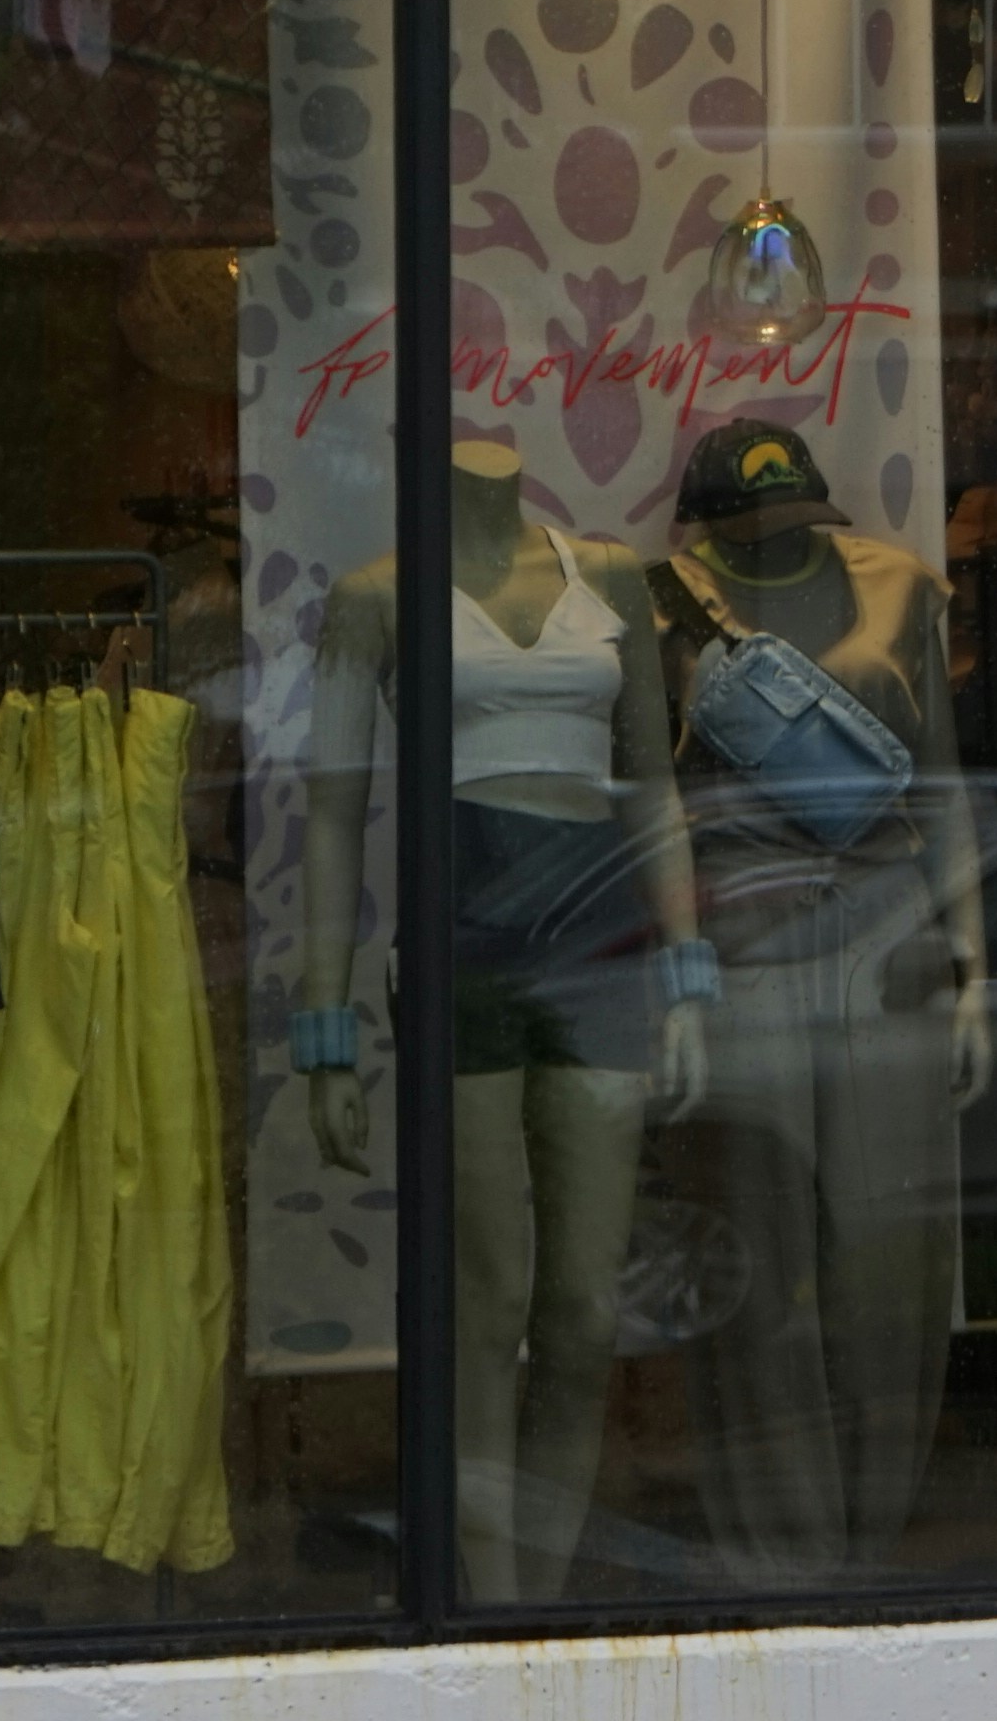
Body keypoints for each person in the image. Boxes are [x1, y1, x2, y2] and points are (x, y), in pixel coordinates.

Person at [296, 438, 705, 1603]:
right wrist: (323, 1027)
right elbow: (333, 817)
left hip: (600, 945)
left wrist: (688, 970)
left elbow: (653, 787)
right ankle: (494, 1602)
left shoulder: (610, 577)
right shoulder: (375, 596)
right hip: (458, 942)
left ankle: (546, 1589)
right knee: (489, 1298)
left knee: (580, 1305)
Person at [651, 417, 989, 1582]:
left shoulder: (902, 591)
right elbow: (648, 810)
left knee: (889, 1264)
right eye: (746, 526)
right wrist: (680, 979)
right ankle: (780, 1547)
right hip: (742, 945)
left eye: (784, 522)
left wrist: (974, 968)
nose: (766, 543)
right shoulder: (659, 606)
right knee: (756, 1262)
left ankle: (875, 1529)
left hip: (891, 943)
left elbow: (942, 789)